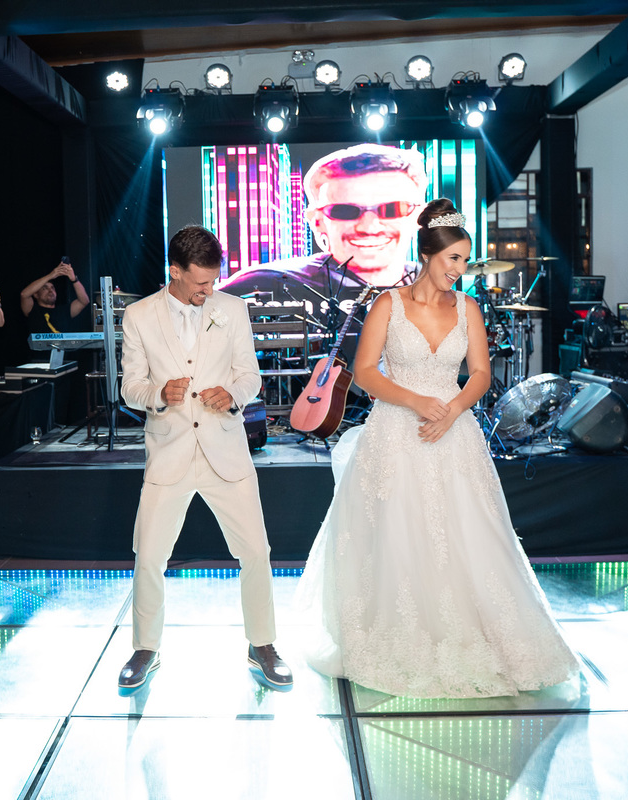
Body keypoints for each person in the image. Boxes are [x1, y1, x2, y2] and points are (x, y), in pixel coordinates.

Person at [296, 199, 580, 698]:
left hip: (454, 432)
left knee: (468, 535)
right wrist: (417, 401)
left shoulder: (468, 308)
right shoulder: (388, 305)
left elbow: (482, 374)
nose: (460, 269)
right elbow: (364, 373)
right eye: (454, 259)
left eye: (464, 260)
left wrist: (451, 410)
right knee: (396, 535)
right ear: (428, 254)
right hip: (396, 434)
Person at [117, 225, 290, 693]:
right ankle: (145, 649)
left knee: (256, 552)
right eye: (200, 283)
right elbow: (130, 387)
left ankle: (263, 644)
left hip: (226, 452)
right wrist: (158, 393)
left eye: (213, 281)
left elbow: (250, 375)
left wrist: (232, 394)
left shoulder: (232, 309)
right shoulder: (138, 315)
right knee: (148, 556)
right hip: (168, 453)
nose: (209, 290)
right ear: (174, 271)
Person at [218, 144, 428, 321]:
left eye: (392, 209)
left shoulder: (434, 282)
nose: (369, 227)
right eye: (345, 211)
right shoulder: (267, 281)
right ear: (316, 221)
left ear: (419, 216)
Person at [20, 260, 90, 334]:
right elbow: (24, 294)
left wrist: (74, 279)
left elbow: (84, 301)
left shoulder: (64, 311)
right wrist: (51, 275)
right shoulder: (32, 310)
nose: (50, 291)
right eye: (45, 288)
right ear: (36, 295)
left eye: (52, 288)